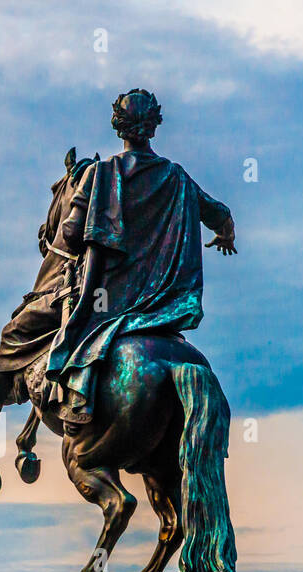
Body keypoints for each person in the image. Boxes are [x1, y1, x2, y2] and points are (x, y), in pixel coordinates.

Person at [46, 89, 237, 426]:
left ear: (118, 126)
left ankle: (80, 399)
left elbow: (72, 235)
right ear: (154, 126)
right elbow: (220, 214)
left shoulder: (100, 174)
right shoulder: (177, 177)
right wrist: (225, 234)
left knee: (72, 343)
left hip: (111, 305)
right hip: (165, 309)